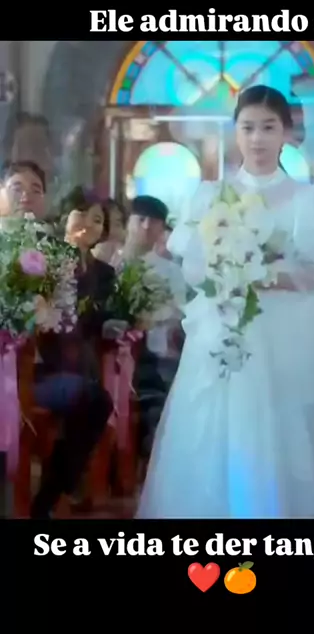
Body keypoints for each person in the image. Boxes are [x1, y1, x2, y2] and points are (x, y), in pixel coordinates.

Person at [137, 86, 314, 519]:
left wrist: (264, 275)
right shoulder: (211, 196)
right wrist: (227, 272)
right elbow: (195, 270)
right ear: (236, 132)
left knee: (292, 435)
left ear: (287, 134)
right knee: (218, 434)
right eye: (248, 127)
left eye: (268, 128)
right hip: (225, 329)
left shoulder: (308, 199)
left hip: (287, 333)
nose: (257, 138)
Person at [0, 164, 114, 519]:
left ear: (46, 199)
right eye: (16, 187)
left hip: (36, 373)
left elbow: (67, 319)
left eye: (35, 188)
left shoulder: (56, 253)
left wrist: (43, 315)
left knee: (94, 399)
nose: (26, 195)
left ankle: (46, 500)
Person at [123, 195, 186, 458]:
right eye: (141, 219)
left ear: (163, 228)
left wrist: (153, 317)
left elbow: (181, 313)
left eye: (155, 222)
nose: (147, 226)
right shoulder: (109, 262)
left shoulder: (170, 271)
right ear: (128, 222)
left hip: (158, 355)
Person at [92, 199, 127, 268]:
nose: (113, 231)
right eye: (117, 224)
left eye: (118, 224)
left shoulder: (124, 252)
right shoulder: (97, 255)